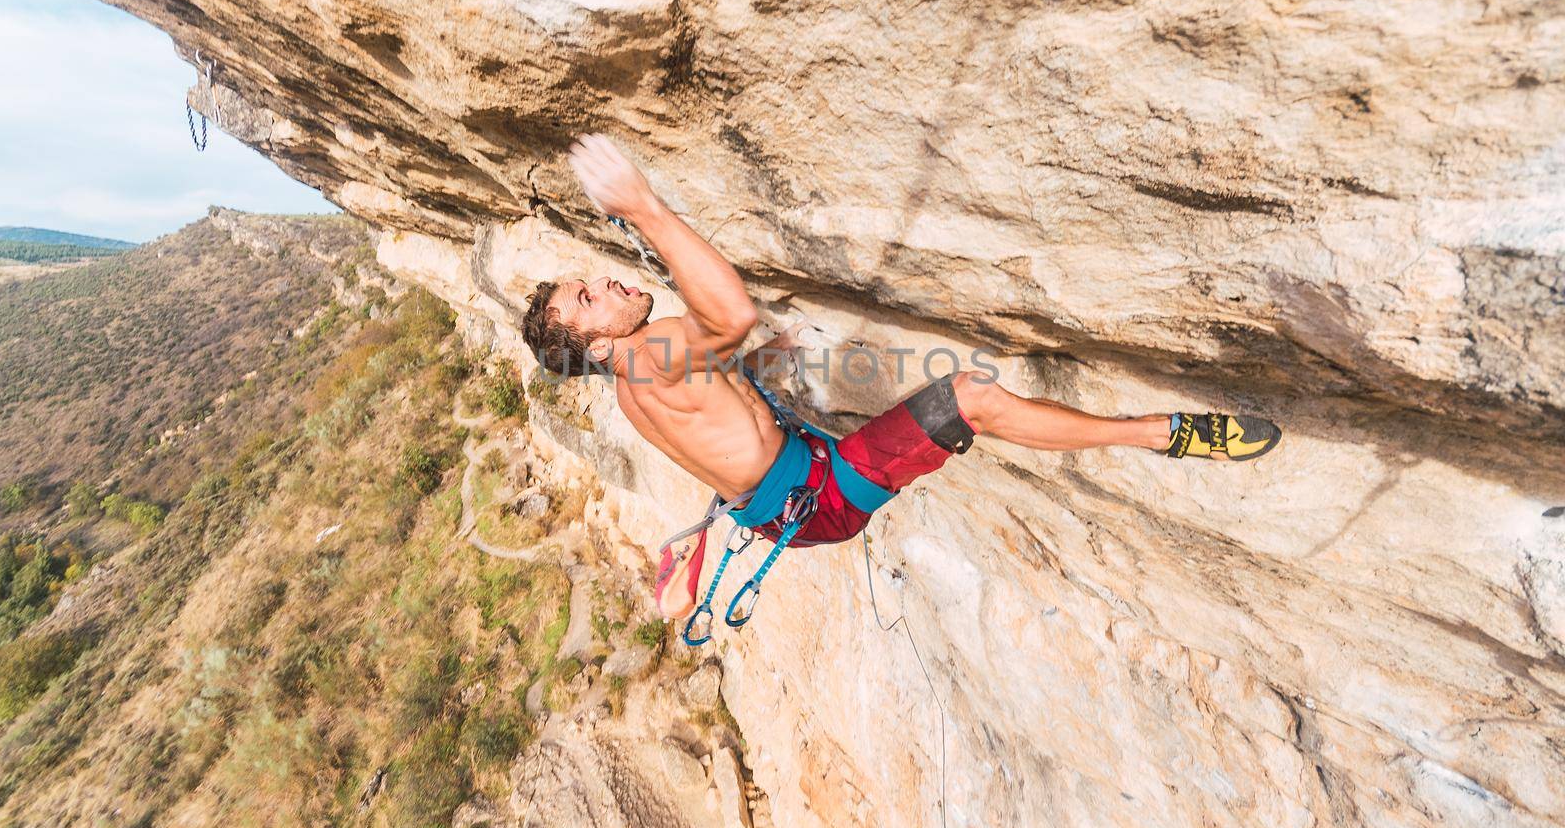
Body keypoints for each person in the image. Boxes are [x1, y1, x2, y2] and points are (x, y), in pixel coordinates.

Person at [520, 134, 1280, 623]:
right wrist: (644, 206)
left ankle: (1156, 433)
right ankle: (1164, 434)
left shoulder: (632, 383)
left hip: (793, 500)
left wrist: (759, 364)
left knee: (941, 403)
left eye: (585, 282)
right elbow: (727, 316)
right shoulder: (650, 351)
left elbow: (710, 386)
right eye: (586, 300)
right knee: (971, 398)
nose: (601, 283)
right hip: (824, 496)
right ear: (590, 345)